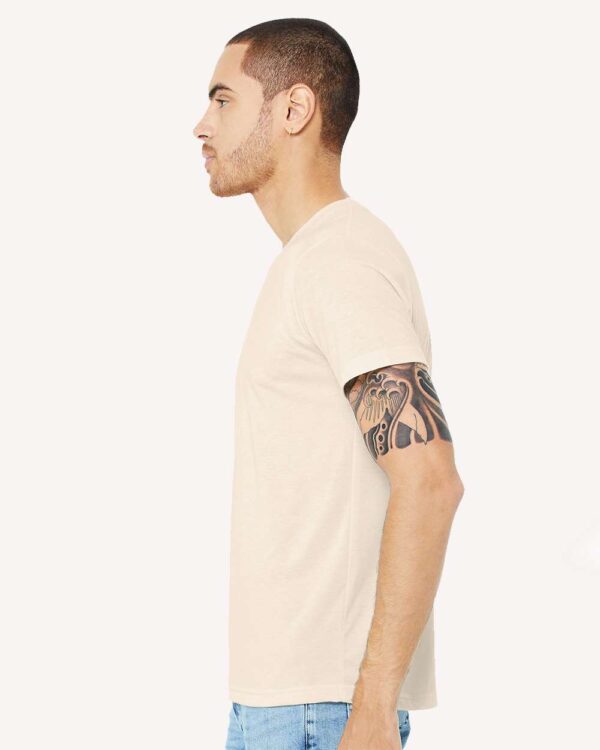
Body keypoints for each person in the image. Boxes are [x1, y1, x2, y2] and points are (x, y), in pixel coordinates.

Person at [192, 17, 464, 750]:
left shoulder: (339, 260)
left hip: (321, 711)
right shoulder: (312, 260)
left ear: (294, 109)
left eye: (222, 99)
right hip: (291, 703)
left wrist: (372, 706)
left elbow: (430, 478)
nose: (201, 125)